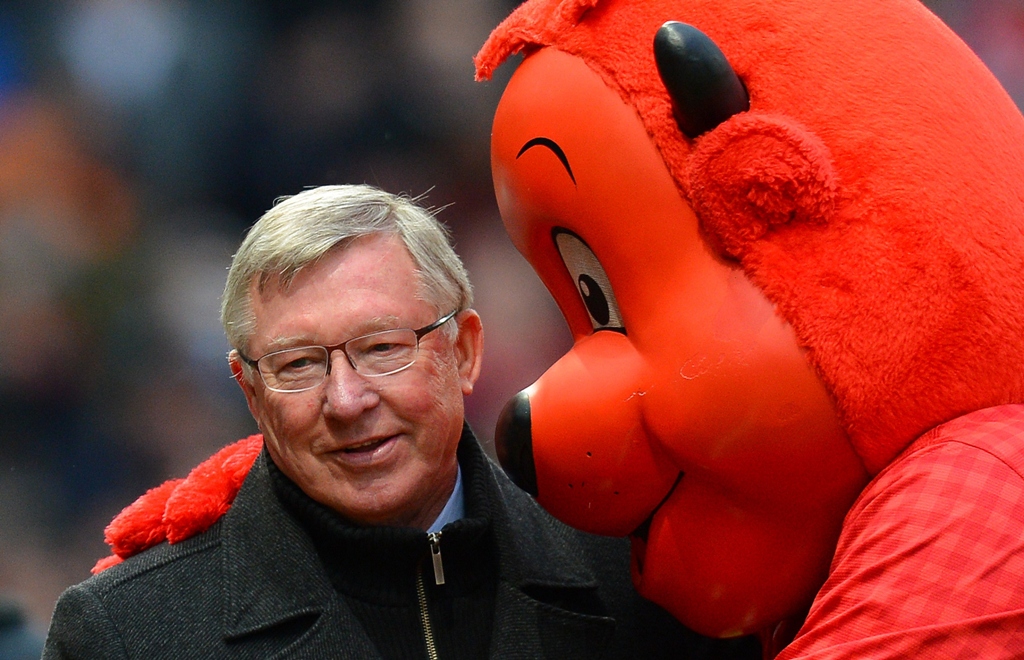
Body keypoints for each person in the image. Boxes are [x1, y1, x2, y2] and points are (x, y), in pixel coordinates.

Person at [43, 184, 759, 659]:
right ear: (251, 392)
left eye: (382, 348)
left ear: (466, 350)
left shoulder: (643, 574)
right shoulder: (129, 635)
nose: (346, 399)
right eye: (298, 364)